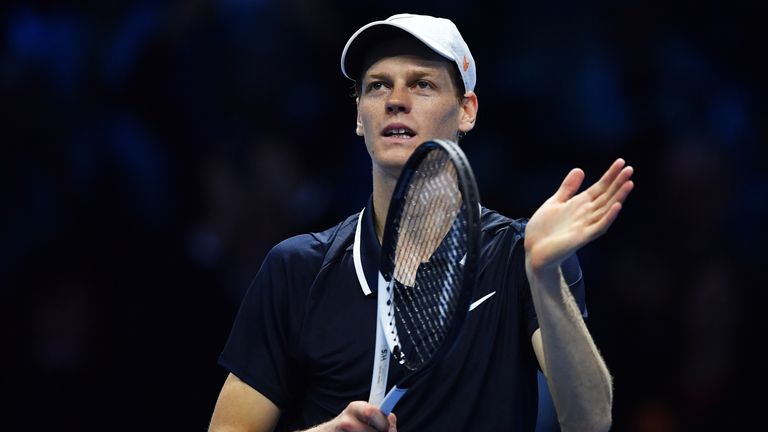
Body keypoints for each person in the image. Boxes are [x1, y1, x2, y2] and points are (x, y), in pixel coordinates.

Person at [209, 13, 633, 432]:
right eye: (377, 86)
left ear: (466, 111)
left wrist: (543, 275)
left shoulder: (519, 257)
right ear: (359, 115)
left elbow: (590, 419)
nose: (395, 99)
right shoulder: (296, 268)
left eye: (422, 84)